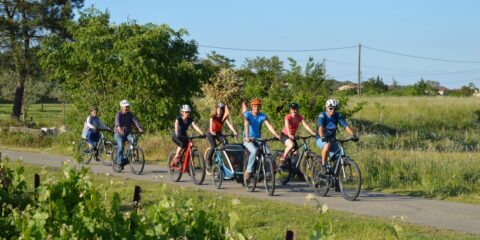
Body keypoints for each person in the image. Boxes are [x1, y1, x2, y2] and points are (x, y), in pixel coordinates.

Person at [242, 98, 280, 179]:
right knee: (254, 151)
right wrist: (247, 137)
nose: (256, 108)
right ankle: (248, 171)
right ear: (252, 107)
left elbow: (269, 125)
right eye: (255, 106)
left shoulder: (262, 115)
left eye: (258, 106)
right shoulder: (247, 114)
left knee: (268, 152)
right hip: (248, 139)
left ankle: (270, 170)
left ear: (260, 107)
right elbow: (246, 125)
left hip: (258, 138)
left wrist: (276, 135)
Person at [316, 99, 357, 171]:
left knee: (339, 156)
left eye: (335, 109)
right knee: (327, 145)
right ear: (326, 108)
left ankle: (334, 176)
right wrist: (322, 136)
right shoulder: (322, 115)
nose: (333, 110)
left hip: (332, 139)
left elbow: (345, 126)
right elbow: (320, 128)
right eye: (330, 108)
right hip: (320, 138)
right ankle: (323, 164)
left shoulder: (337, 115)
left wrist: (353, 134)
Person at [278, 102, 316, 169]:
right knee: (291, 145)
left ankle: (294, 168)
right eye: (292, 109)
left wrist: (312, 133)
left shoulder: (299, 117)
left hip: (292, 136)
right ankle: (283, 157)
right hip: (284, 135)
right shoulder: (288, 117)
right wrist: (289, 134)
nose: (294, 111)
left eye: (296, 109)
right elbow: (287, 125)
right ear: (290, 110)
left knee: (296, 153)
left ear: (298, 110)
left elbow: (305, 125)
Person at [206, 103, 238, 169]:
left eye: (221, 109)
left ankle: (224, 158)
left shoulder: (223, 118)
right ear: (216, 109)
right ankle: (208, 160)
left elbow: (229, 125)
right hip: (210, 133)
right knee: (214, 146)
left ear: (223, 110)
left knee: (225, 142)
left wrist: (234, 132)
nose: (219, 110)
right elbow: (210, 125)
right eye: (218, 109)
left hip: (218, 133)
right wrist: (212, 131)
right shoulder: (213, 116)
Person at [114, 99, 143, 169]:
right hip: (118, 134)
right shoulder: (118, 114)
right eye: (125, 107)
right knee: (120, 145)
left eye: (127, 107)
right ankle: (119, 162)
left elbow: (134, 121)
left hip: (127, 133)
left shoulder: (130, 114)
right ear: (122, 107)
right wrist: (119, 128)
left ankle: (128, 157)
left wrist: (139, 128)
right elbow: (117, 123)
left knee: (134, 139)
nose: (127, 108)